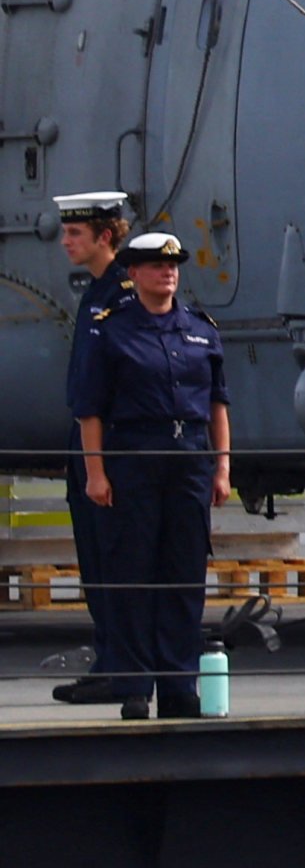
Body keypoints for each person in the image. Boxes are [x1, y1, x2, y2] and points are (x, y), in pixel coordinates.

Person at [73, 229, 228, 721]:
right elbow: (90, 410)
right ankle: (136, 683)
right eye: (157, 266)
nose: (168, 272)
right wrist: (94, 473)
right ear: (134, 273)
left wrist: (222, 466)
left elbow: (218, 405)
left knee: (183, 576)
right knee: (132, 573)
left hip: (187, 461)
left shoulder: (201, 330)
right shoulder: (111, 329)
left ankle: (179, 684)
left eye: (174, 265)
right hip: (134, 458)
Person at [48, 191, 133, 706]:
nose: (65, 242)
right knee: (96, 564)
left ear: (104, 235)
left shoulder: (122, 293)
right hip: (86, 445)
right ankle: (109, 659)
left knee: (115, 562)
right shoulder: (98, 291)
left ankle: (121, 667)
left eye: (75, 234)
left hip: (109, 448)